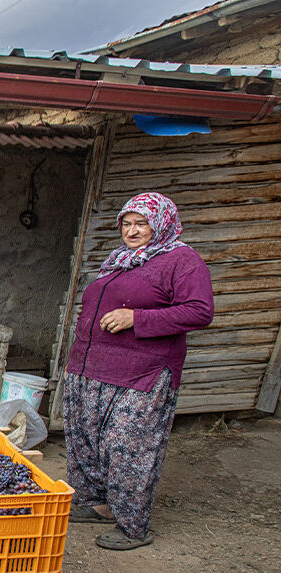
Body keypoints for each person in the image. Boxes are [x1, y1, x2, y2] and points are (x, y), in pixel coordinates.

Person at [63, 192, 213, 551]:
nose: (132, 230)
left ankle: (133, 526)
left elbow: (199, 311)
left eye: (141, 223)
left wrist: (137, 318)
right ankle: (98, 505)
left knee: (128, 445)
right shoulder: (121, 260)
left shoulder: (182, 260)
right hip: (92, 365)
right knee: (87, 438)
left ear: (161, 223)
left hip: (142, 371)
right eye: (127, 223)